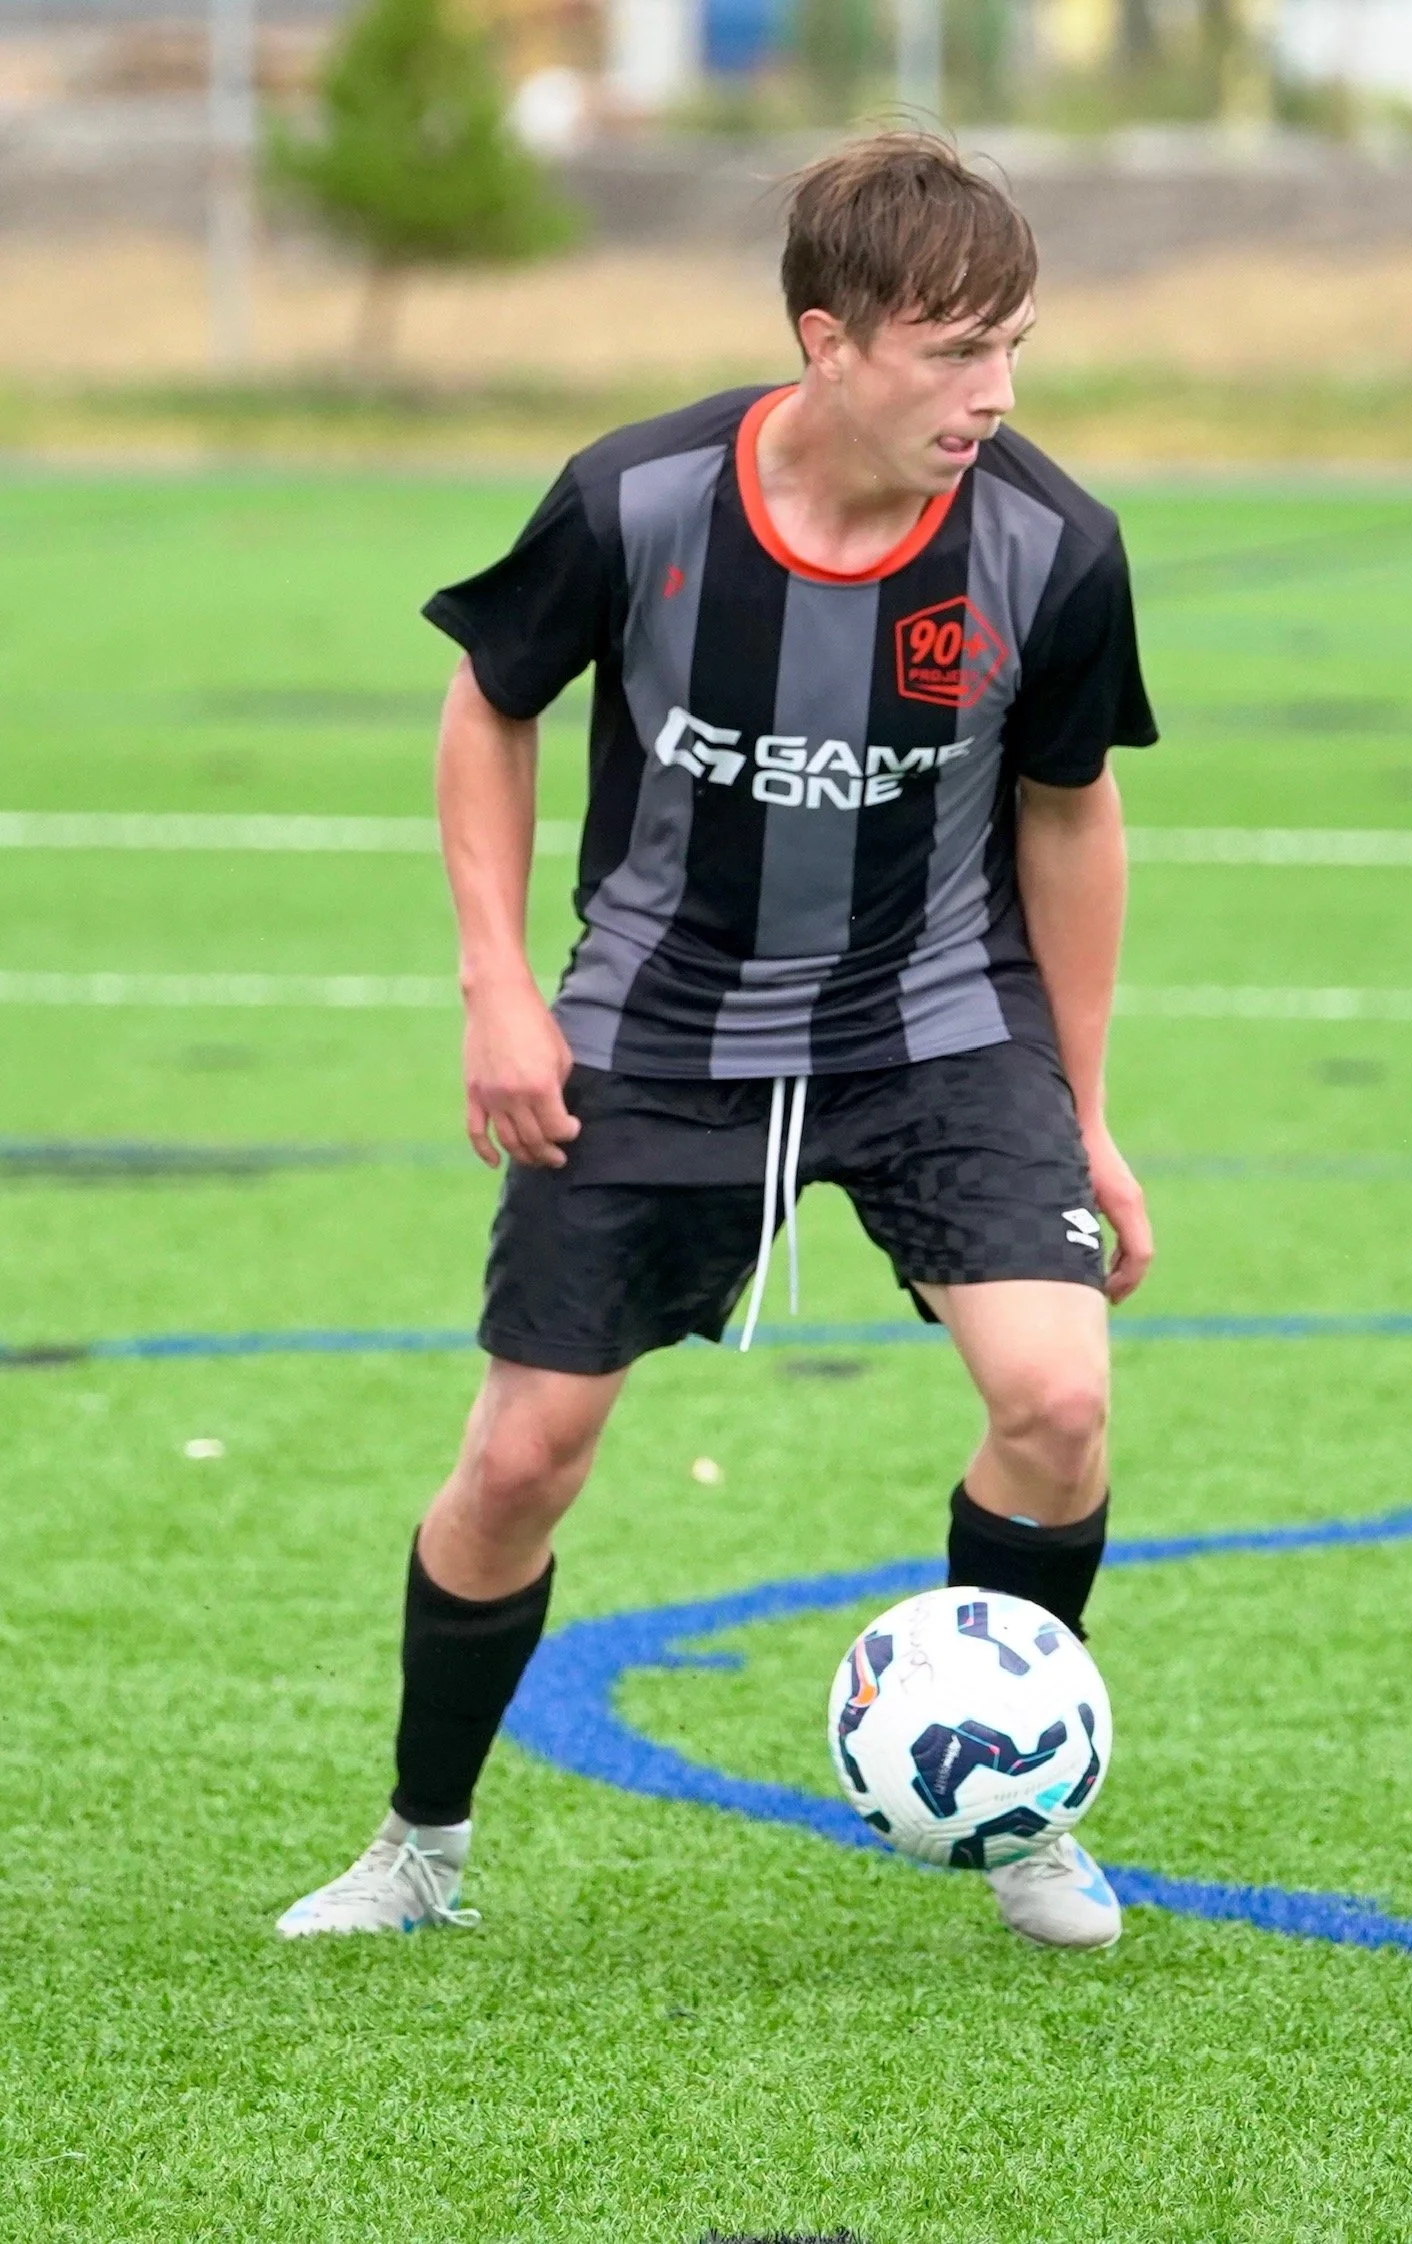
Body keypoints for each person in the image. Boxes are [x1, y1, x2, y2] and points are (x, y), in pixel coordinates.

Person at [278, 131, 1156, 1951]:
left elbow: (1069, 816)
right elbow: (487, 703)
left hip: (934, 1020)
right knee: (523, 1455)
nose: (989, 394)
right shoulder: (642, 497)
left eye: (1014, 348)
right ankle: (419, 1843)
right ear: (826, 342)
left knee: (1059, 1402)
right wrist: (497, 986)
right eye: (950, 351)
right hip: (661, 1022)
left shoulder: (1050, 545)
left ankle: (1018, 1817)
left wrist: (1084, 1110)